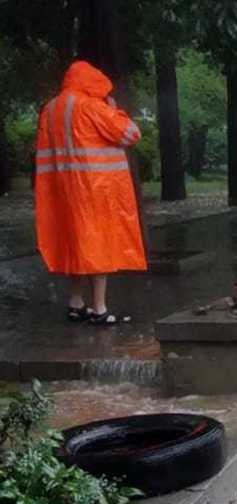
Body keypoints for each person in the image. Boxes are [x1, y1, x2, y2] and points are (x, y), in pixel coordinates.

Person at [35, 60, 146, 325]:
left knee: (74, 245)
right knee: (99, 247)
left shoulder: (50, 109)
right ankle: (100, 309)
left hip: (61, 192)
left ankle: (75, 303)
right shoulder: (92, 107)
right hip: (94, 190)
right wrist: (115, 110)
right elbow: (131, 134)